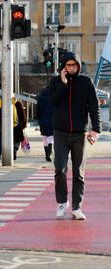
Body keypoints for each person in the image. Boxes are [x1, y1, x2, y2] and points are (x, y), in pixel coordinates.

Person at [49, 52, 101, 220]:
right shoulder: (56, 82)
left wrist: (96, 129)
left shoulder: (86, 82)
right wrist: (63, 84)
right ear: (63, 67)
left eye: (74, 65)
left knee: (78, 171)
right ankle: (62, 202)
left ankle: (77, 207)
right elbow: (54, 102)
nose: (71, 68)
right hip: (60, 133)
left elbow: (94, 106)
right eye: (68, 65)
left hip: (80, 133)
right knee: (60, 168)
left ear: (78, 66)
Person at [36, 86, 54, 162]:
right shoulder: (53, 98)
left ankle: (46, 154)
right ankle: (49, 153)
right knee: (51, 136)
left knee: (45, 136)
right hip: (52, 119)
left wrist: (39, 119)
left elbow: (37, 111)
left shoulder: (40, 98)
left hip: (42, 120)